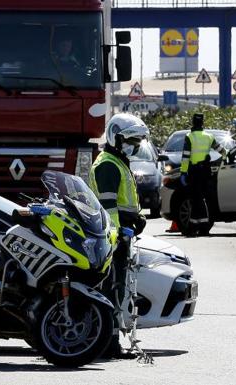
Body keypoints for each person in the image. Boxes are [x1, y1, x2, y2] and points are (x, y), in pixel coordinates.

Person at [89, 113, 149, 358]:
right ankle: (109, 344)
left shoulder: (118, 161)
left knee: (117, 289)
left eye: (137, 142)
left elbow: (125, 204)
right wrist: (118, 235)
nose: (134, 146)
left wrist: (137, 218)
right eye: (130, 140)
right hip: (111, 239)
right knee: (111, 290)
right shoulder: (108, 165)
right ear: (116, 137)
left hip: (117, 236)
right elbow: (109, 208)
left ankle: (108, 341)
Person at [180, 113, 227, 236]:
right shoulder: (209, 136)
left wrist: (183, 172)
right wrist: (225, 160)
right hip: (206, 171)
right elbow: (222, 150)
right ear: (202, 123)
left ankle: (194, 228)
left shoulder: (189, 136)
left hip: (194, 171)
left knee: (196, 199)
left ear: (193, 122)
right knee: (204, 199)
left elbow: (185, 156)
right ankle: (203, 227)